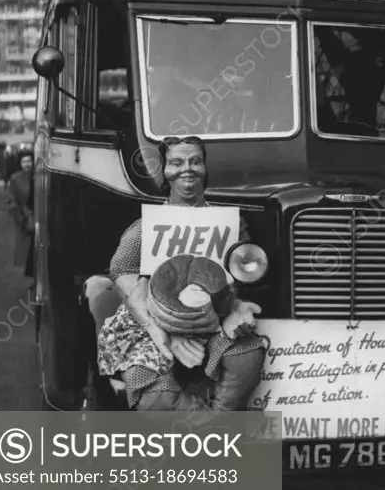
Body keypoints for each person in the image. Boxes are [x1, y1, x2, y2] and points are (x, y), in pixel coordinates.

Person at [96, 136, 265, 413]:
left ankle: (219, 425)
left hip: (211, 318)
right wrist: (158, 327)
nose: (187, 168)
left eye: (195, 161)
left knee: (246, 357)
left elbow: (239, 272)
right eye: (177, 162)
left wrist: (235, 304)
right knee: (154, 394)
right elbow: (122, 269)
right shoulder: (145, 227)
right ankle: (199, 433)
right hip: (153, 321)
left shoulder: (230, 225)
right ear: (164, 171)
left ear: (205, 169)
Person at [5, 151, 33, 271]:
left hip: (42, 218)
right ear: (20, 163)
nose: (27, 164)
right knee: (28, 254)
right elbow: (11, 200)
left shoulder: (40, 176)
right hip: (25, 220)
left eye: (29, 161)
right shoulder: (15, 178)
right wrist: (20, 218)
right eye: (24, 162)